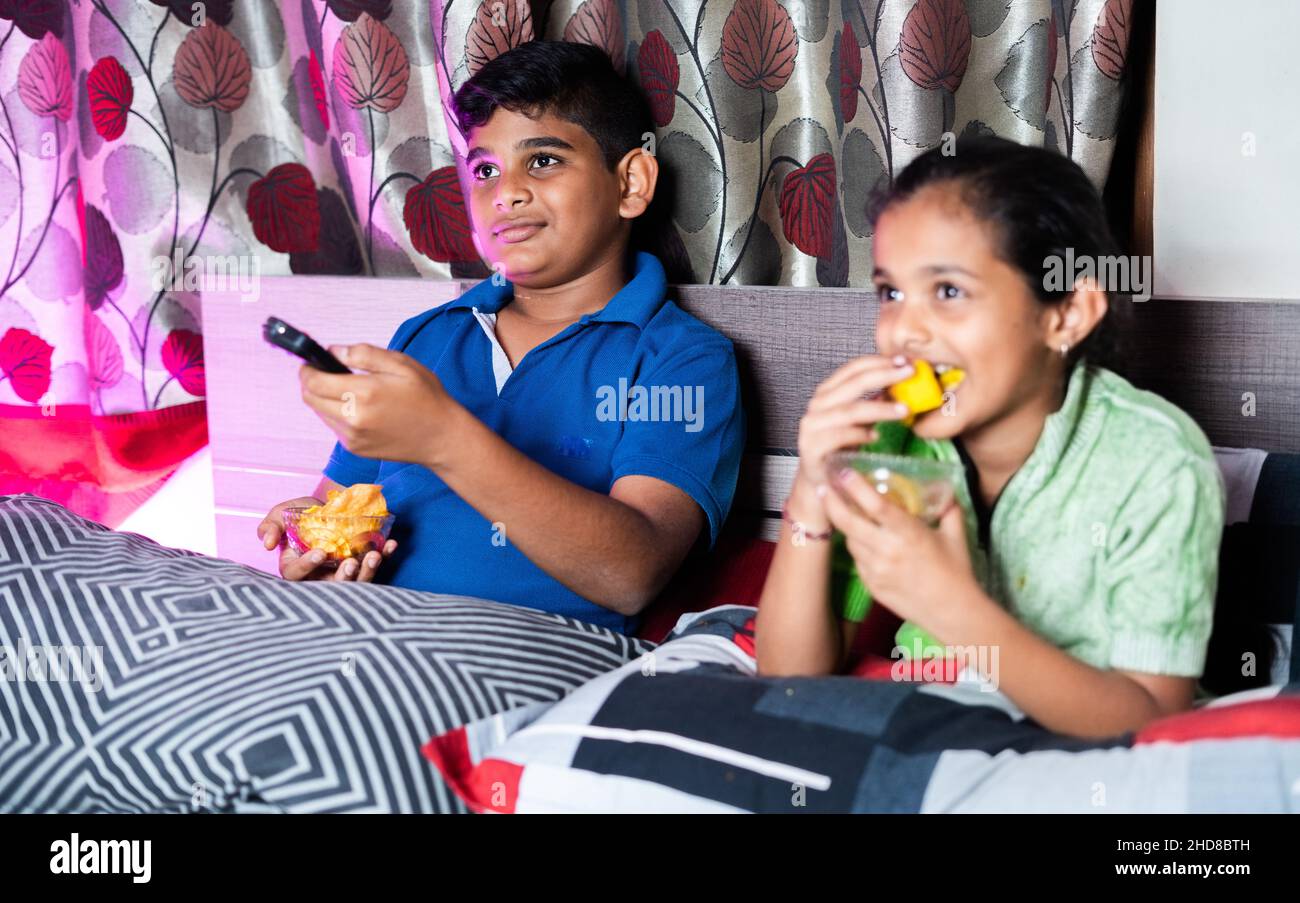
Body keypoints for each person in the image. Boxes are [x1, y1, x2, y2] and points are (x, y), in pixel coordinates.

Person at [256, 41, 745, 635]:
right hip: (371, 634)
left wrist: (446, 438)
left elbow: (631, 573)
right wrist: (316, 544)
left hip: (531, 659)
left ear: (630, 183)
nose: (505, 192)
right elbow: (342, 506)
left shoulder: (681, 358)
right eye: (485, 169)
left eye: (542, 160)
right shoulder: (426, 337)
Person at [755, 137, 1224, 739]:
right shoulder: (888, 439)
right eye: (890, 293)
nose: (903, 334)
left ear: (1066, 314)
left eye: (948, 292)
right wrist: (811, 489)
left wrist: (952, 606)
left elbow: (1154, 720)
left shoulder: (1159, 462)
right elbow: (788, 675)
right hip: (927, 730)